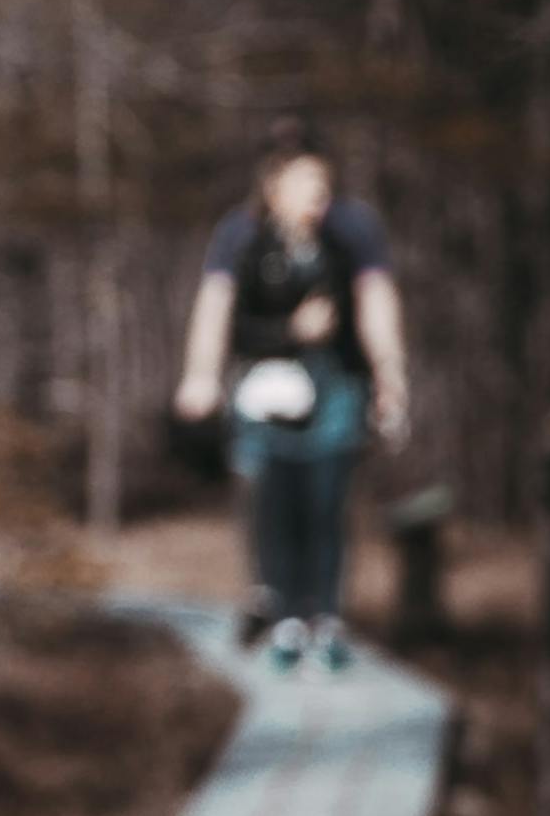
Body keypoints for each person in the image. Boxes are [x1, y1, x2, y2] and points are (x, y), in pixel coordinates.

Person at [170, 134, 412, 674]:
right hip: (267, 392)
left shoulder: (350, 234)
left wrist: (390, 376)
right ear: (273, 187)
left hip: (335, 391)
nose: (318, 194)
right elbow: (218, 310)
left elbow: (376, 302)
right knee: (272, 506)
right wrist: (201, 375)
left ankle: (326, 622)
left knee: (327, 509)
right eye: (305, 182)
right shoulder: (243, 236)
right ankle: (278, 613)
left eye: (324, 183)